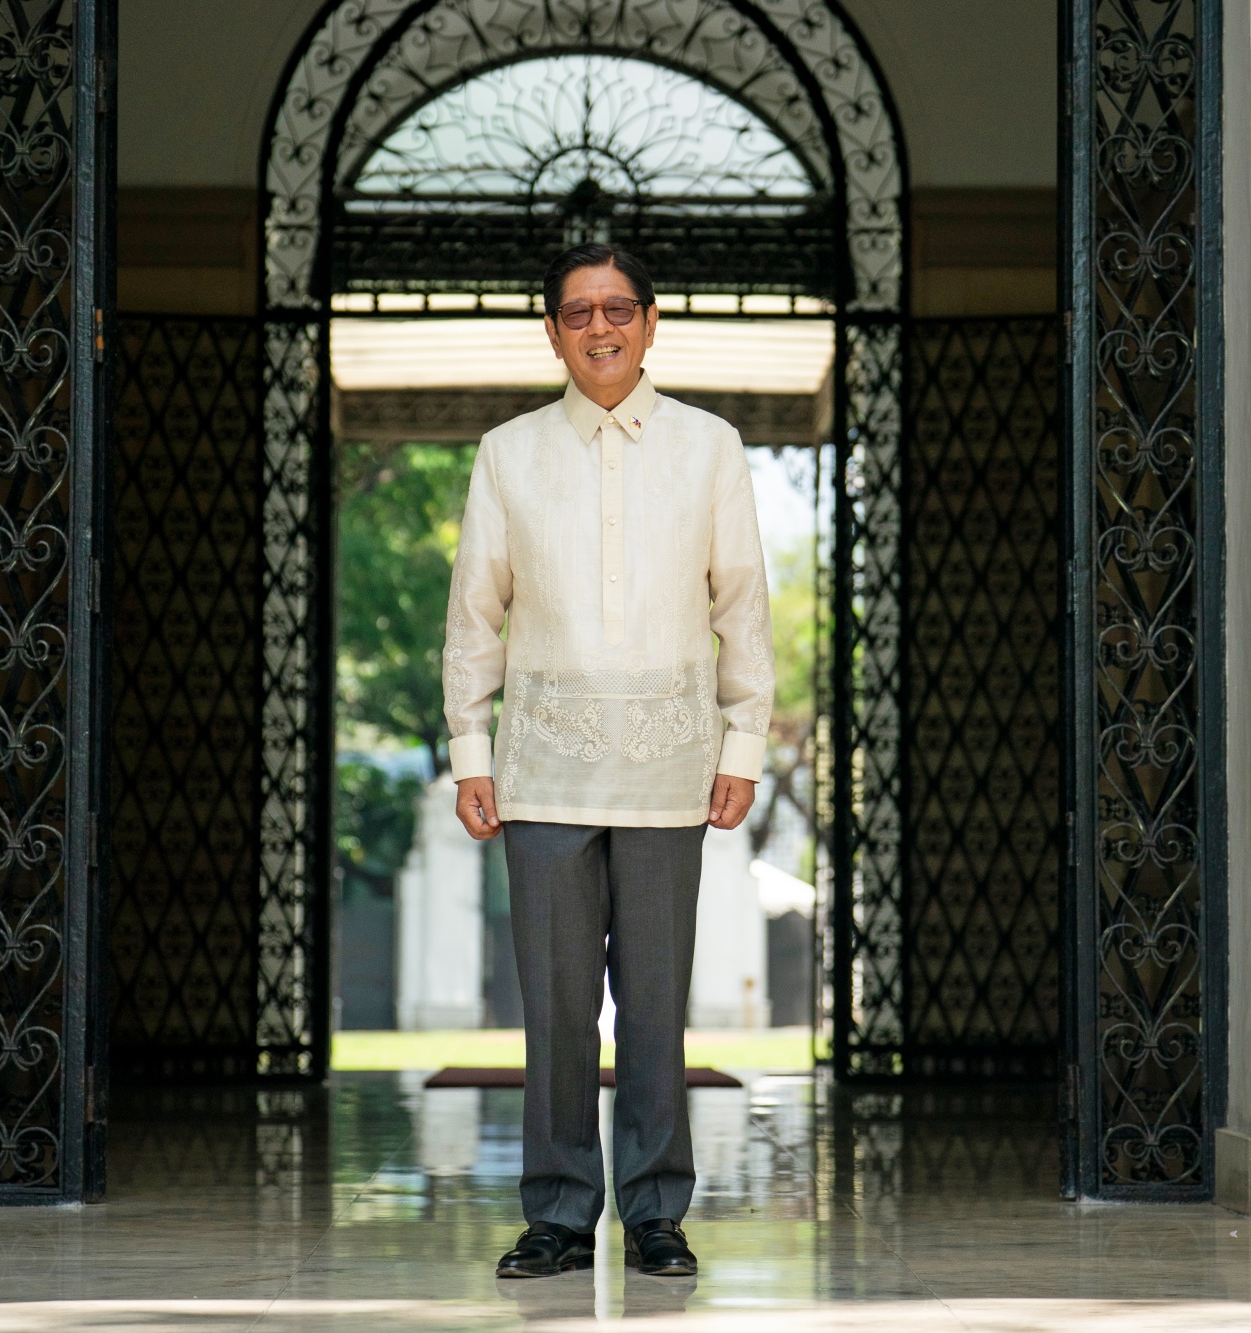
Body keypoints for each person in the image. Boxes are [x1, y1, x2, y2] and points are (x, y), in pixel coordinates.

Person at [442, 243, 773, 1279]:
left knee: (655, 1005)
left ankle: (656, 1212)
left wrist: (743, 740)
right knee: (554, 1005)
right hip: (542, 767)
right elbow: (475, 612)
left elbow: (741, 603)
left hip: (672, 767)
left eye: (618, 308)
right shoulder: (508, 453)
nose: (600, 327)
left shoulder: (709, 447)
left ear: (651, 321)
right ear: (551, 332)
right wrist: (469, 748)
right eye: (578, 312)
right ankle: (555, 1211)